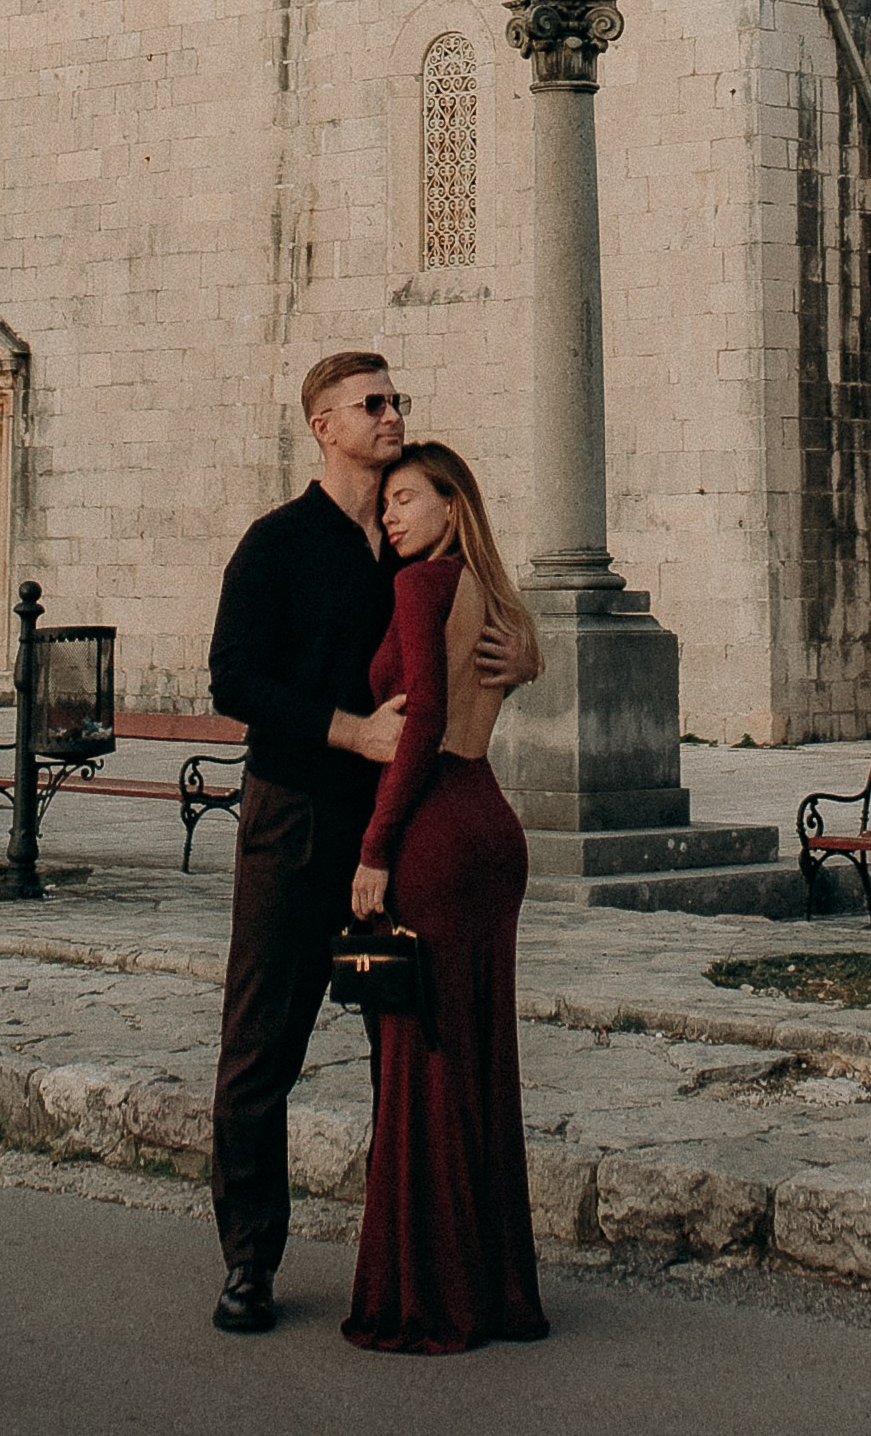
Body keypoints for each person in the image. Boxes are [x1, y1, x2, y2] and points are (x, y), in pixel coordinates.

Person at [205, 353, 535, 1337]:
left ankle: (413, 1257)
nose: (394, 415)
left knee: (404, 1044)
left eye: (398, 403)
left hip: (400, 832)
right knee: (262, 1042)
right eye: (373, 404)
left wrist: (527, 653)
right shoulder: (276, 545)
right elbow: (232, 680)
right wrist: (349, 729)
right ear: (323, 425)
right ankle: (249, 1262)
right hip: (297, 819)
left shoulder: (407, 544)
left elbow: (479, 616)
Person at [342, 441, 549, 1355]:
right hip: (493, 830)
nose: (391, 515)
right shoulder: (493, 595)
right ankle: (497, 1286)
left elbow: (421, 716)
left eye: (407, 500)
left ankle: (429, 1293)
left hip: (432, 829)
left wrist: (376, 848)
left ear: (452, 504)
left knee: (419, 1056)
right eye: (384, 502)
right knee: (477, 1057)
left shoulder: (423, 589)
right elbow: (490, 679)